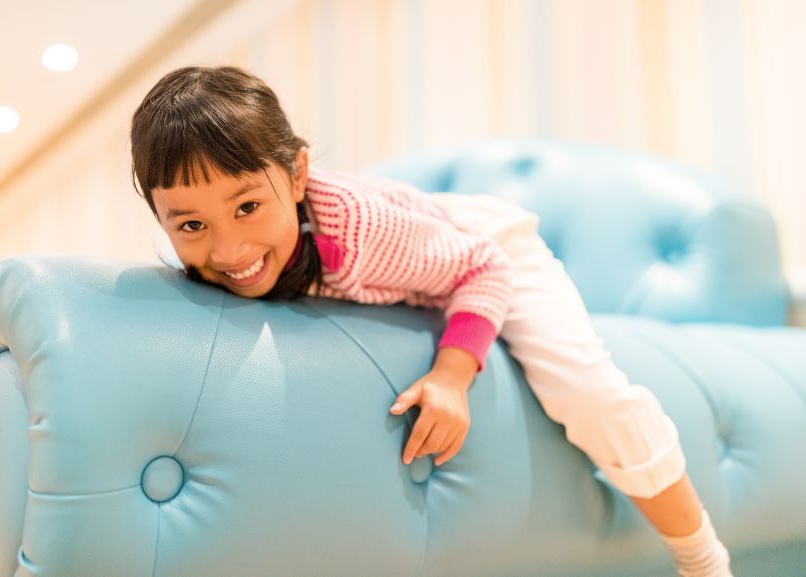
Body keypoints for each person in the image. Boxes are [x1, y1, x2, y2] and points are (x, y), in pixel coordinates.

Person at [129, 65, 733, 577]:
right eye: (191, 225)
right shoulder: (200, 259)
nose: (228, 248)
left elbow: (482, 269)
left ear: (296, 176)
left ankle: (702, 555)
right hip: (432, 260)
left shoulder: (359, 232)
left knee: (587, 391)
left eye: (248, 207)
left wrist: (451, 375)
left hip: (486, 247)